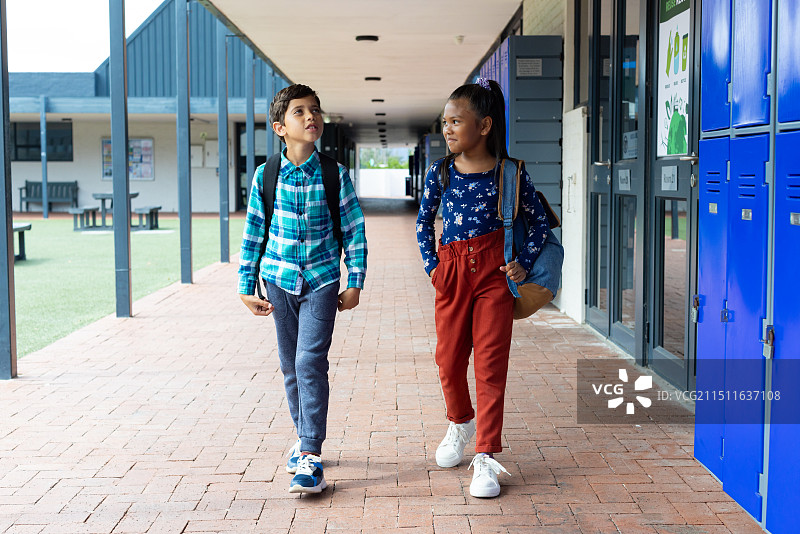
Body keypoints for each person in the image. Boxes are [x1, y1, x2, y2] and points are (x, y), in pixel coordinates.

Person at [416, 78, 549, 498]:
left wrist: (523, 264)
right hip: (451, 274)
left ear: (485, 125)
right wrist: (433, 268)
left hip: (494, 275)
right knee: (448, 362)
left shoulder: (510, 173)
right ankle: (460, 421)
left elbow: (541, 223)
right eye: (445, 122)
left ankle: (486, 457)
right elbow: (423, 221)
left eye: (457, 121)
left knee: (490, 366)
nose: (448, 130)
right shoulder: (440, 173)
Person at [238, 84, 367, 494]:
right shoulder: (266, 175)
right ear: (280, 127)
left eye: (315, 110)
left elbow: (353, 230)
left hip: (322, 282)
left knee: (310, 362)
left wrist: (355, 280)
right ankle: (304, 436)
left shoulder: (334, 174)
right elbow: (254, 231)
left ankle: (310, 454)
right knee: (290, 365)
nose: (311, 117)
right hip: (278, 281)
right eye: (299, 112)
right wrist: (245, 285)